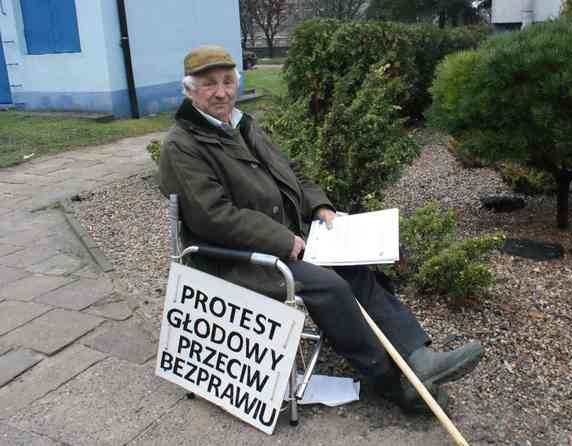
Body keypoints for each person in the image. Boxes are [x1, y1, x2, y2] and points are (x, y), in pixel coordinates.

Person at [159, 45, 483, 414]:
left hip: (288, 239)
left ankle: (418, 358)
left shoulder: (240, 123)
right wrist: (281, 239)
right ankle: (391, 382)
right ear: (189, 90)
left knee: (355, 266)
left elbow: (292, 170)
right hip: (240, 257)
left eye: (228, 82)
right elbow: (213, 216)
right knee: (330, 286)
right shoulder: (182, 145)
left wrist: (320, 206)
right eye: (209, 85)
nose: (221, 92)